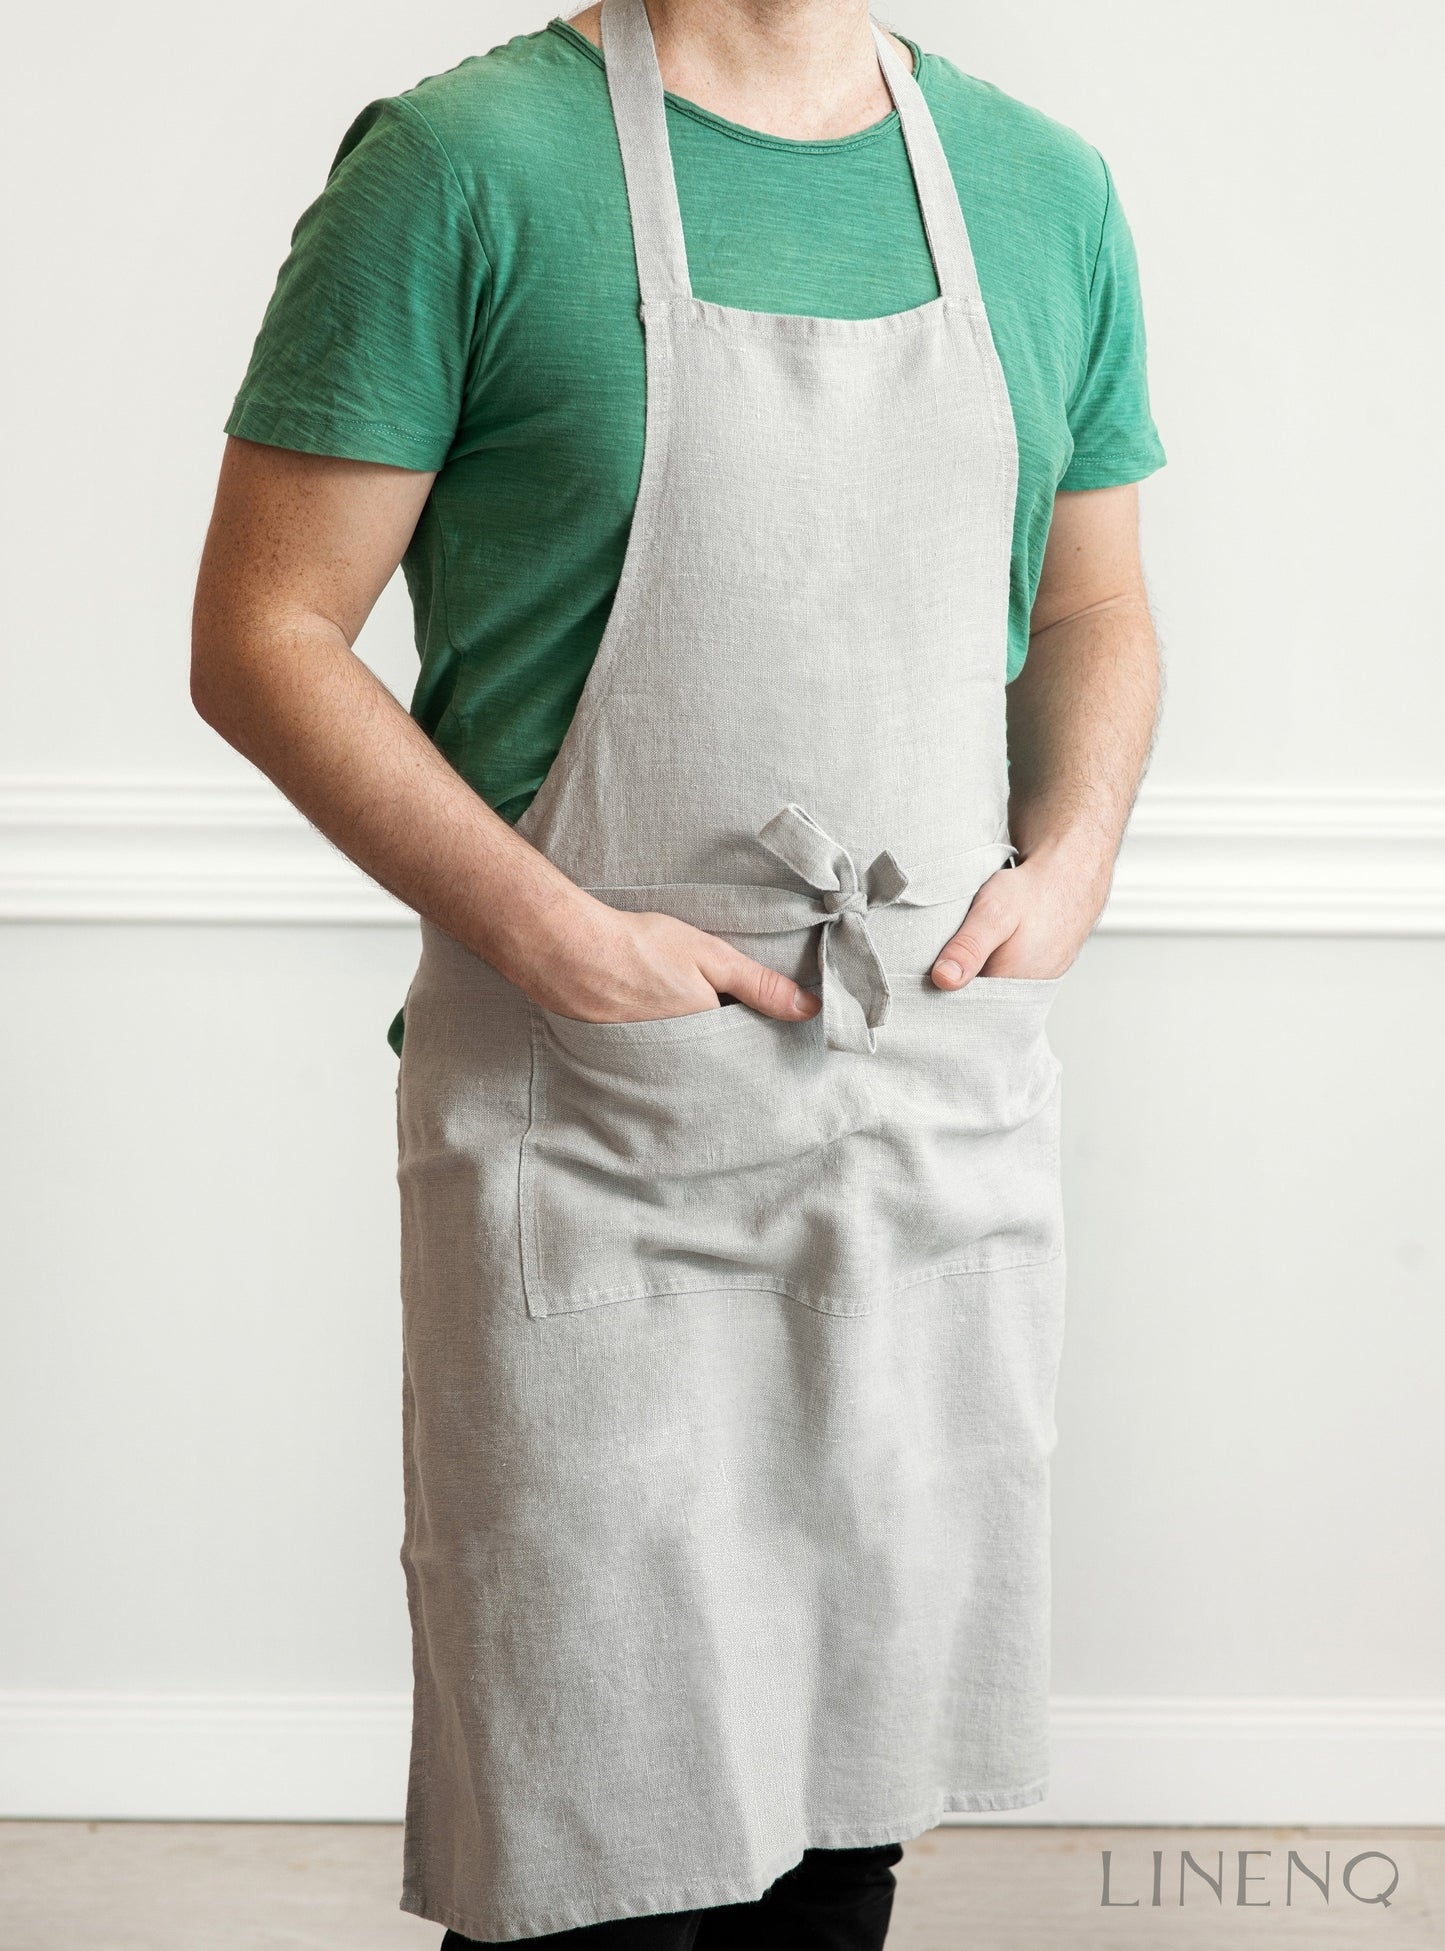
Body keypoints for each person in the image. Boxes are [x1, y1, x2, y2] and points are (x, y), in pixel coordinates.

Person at [191, 0, 1165, 1943]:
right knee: (585, 1833)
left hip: (919, 1122)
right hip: (595, 1120)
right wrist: (555, 932)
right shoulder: (466, 169)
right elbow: (263, 632)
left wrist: (1073, 858)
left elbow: (1096, 602)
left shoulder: (1044, 195)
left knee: (843, 1829)